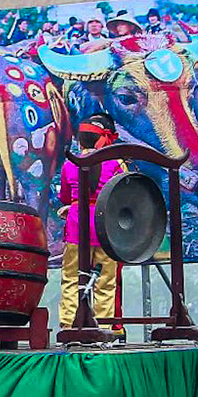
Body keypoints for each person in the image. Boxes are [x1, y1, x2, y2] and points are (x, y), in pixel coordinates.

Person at [59, 113, 125, 330]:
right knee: (105, 281)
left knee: (71, 277)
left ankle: (69, 326)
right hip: (106, 227)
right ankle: (103, 327)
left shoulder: (69, 165)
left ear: (79, 141)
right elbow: (125, 193)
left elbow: (67, 197)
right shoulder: (116, 164)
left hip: (77, 225)